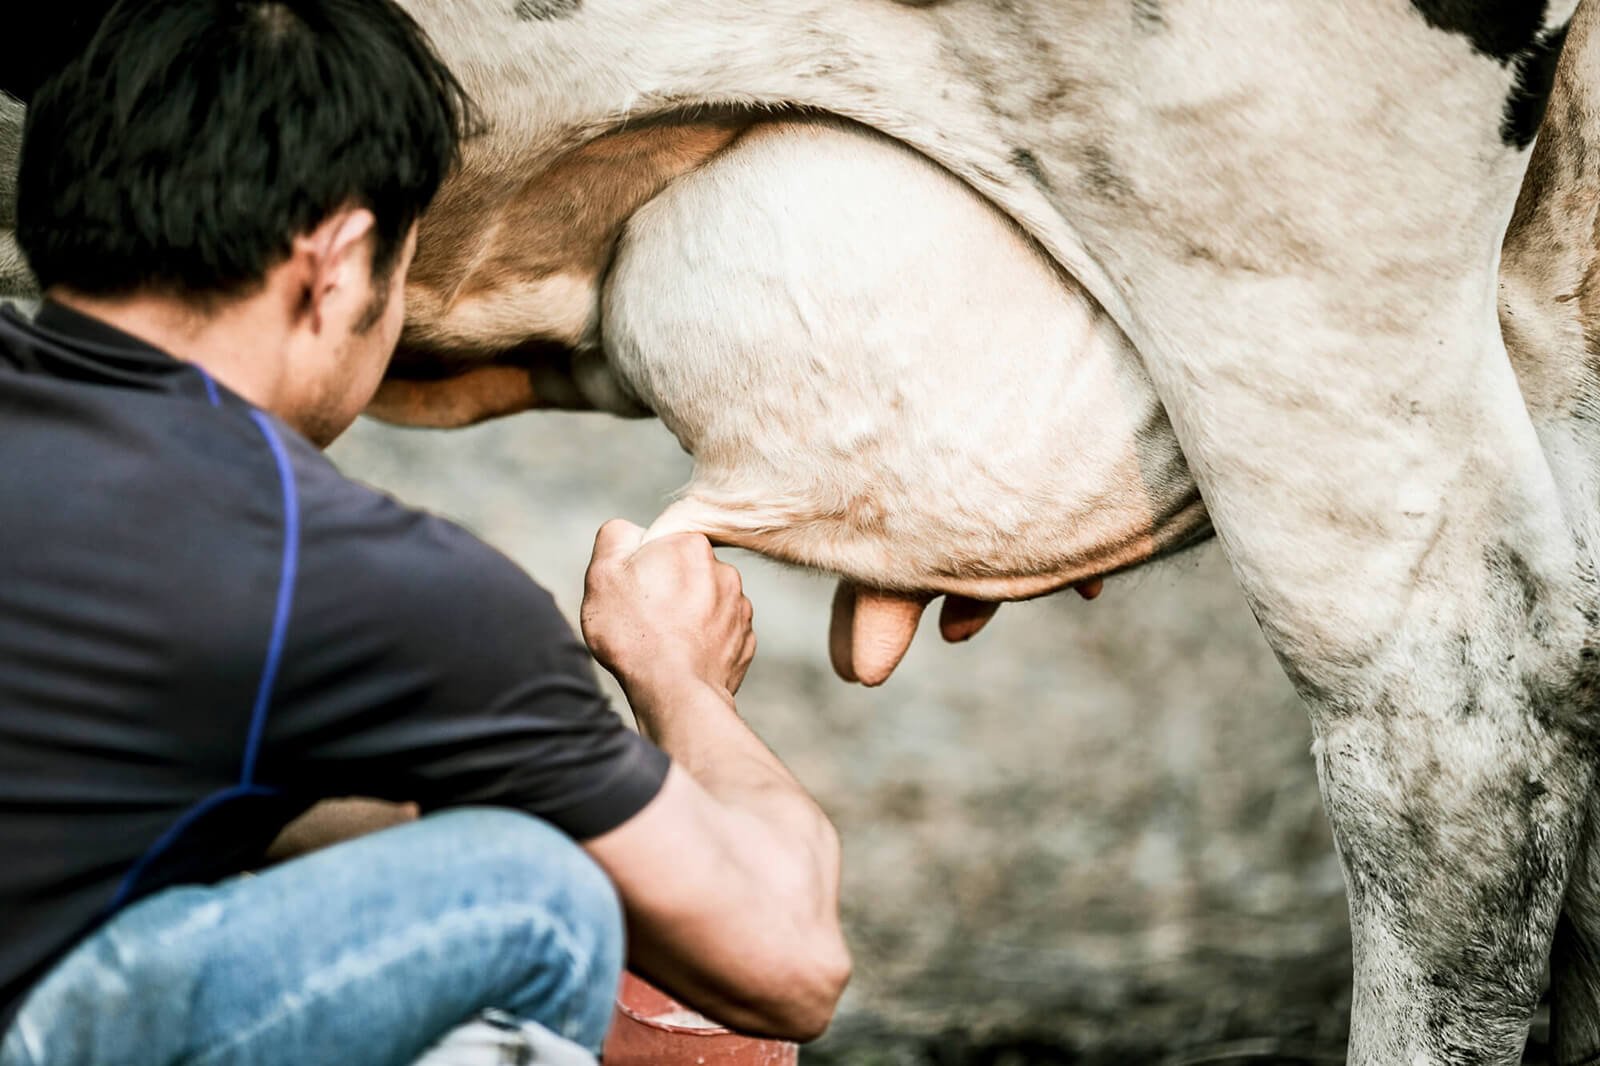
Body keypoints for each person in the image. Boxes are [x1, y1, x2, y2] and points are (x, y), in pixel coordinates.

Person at [0, 1, 850, 1063]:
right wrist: (679, 678)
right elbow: (789, 960)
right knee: (530, 894)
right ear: (341, 262)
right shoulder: (355, 579)